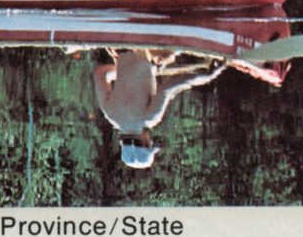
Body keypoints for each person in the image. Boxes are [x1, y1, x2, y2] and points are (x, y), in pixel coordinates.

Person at [93, 48, 226, 169]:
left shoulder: (149, 119)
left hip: (144, 50)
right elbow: (100, 74)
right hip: (120, 50)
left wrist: (207, 77)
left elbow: (169, 87)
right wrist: (125, 69)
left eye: (150, 143)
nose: (151, 139)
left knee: (169, 57)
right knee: (161, 62)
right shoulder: (110, 114)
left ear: (144, 143)